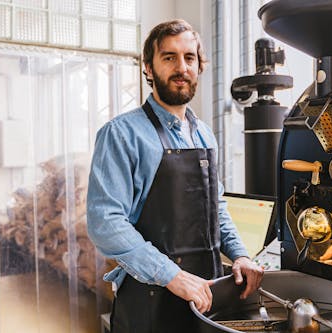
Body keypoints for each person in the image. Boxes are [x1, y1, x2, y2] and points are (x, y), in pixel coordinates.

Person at [87, 19, 264, 333]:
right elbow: (105, 222)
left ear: (199, 66)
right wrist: (172, 275)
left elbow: (216, 207)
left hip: (206, 299)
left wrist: (240, 255)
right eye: (169, 57)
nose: (181, 67)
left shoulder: (205, 135)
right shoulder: (122, 134)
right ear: (149, 68)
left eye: (189, 57)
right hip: (150, 302)